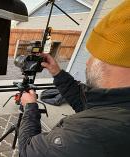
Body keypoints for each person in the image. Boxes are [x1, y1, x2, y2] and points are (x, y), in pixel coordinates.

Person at [18, 1, 130, 157]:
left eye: (93, 54)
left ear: (115, 61)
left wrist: (30, 107)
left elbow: (27, 152)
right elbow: (85, 103)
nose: (87, 61)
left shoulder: (87, 133)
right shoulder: (116, 106)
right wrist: (57, 72)